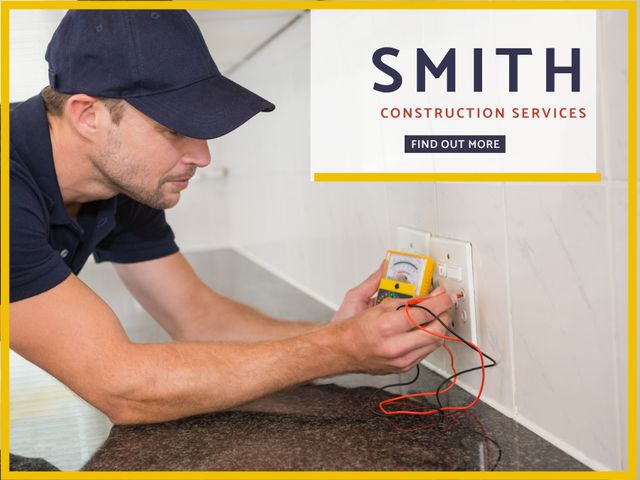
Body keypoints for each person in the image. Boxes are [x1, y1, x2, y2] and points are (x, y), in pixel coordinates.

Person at [10, 10, 454, 425]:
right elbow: (123, 387)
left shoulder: (120, 182)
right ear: (88, 115)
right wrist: (340, 350)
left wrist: (345, 333)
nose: (202, 156)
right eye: (174, 129)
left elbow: (199, 319)